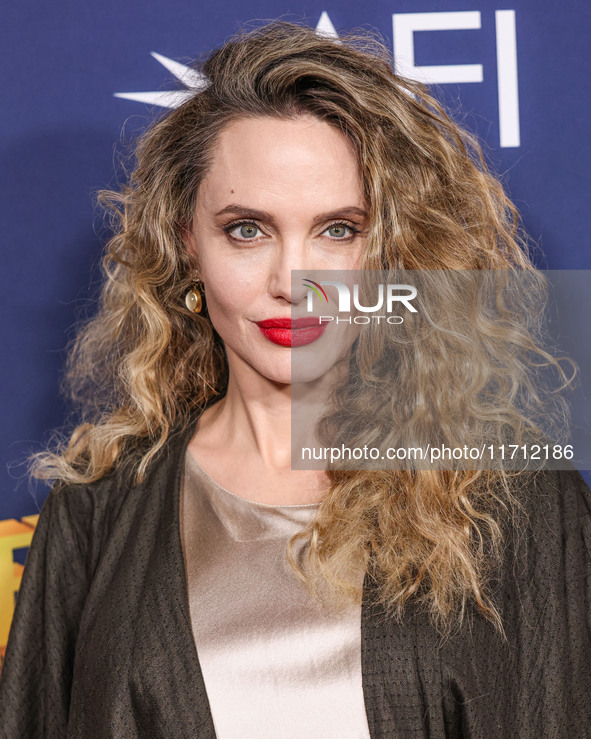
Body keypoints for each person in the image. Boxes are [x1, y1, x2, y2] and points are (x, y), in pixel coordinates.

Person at [1, 20, 590, 739]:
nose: (292, 281)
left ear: (394, 249)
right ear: (188, 243)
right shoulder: (96, 510)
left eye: (338, 229)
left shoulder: (511, 494)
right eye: (247, 229)